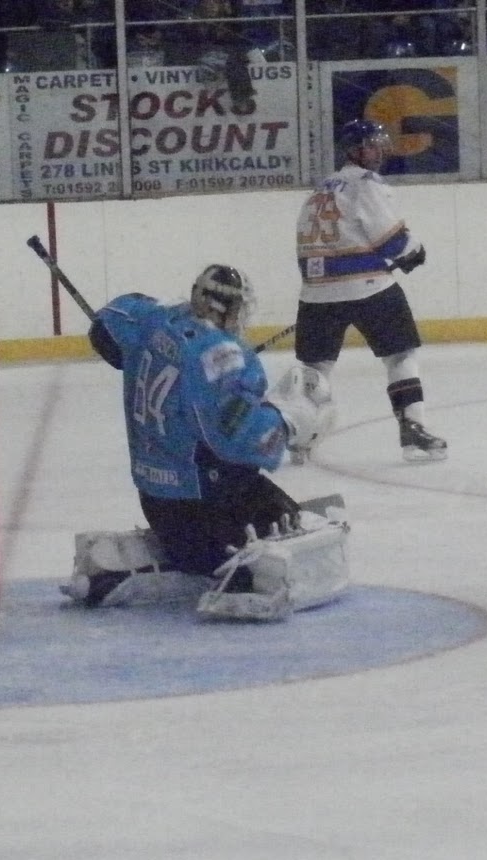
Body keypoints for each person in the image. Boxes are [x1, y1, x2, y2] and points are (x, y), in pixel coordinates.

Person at [66, 264, 348, 622]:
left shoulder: (154, 318)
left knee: (202, 522)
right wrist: (288, 422)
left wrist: (134, 357)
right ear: (230, 309)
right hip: (205, 510)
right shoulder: (220, 355)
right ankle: (243, 576)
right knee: (290, 521)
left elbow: (106, 326)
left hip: (155, 502)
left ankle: (120, 568)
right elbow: (236, 441)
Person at [294, 117, 445, 462]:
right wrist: (413, 251)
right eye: (372, 145)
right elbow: (391, 239)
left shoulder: (318, 191)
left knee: (315, 369)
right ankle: (413, 432)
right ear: (354, 150)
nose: (379, 151)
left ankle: (299, 439)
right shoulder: (366, 184)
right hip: (369, 288)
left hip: (315, 294)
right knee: (401, 355)